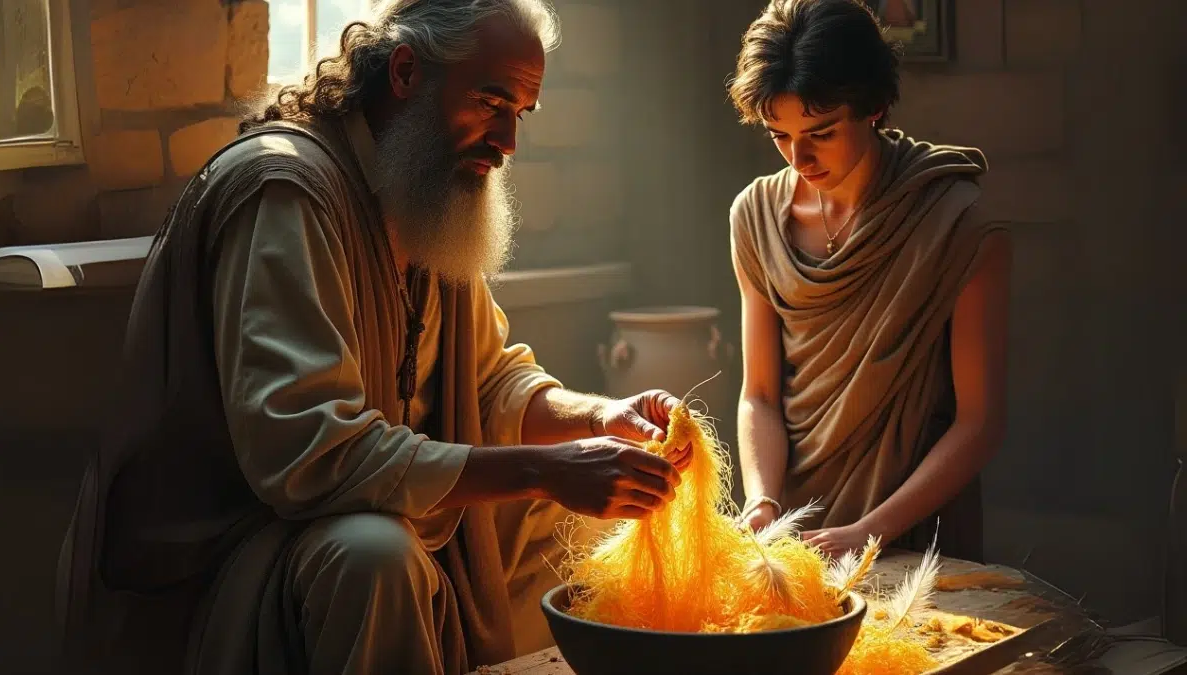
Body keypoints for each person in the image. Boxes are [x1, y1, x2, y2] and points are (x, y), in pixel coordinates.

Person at [55, 2, 692, 674]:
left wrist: (601, 418)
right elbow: (308, 454)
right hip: (237, 558)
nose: (506, 141)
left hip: (384, 515)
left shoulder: (426, 193)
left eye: (520, 113)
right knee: (374, 555)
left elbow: (488, 381)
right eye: (490, 100)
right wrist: (544, 469)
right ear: (407, 71)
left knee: (593, 521)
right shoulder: (286, 191)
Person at [726, 0, 1010, 562]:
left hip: (913, 530)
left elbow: (980, 424)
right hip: (799, 533)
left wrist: (868, 532)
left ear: (875, 107)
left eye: (821, 132)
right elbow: (759, 394)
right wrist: (760, 502)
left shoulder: (957, 222)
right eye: (778, 134)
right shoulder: (754, 216)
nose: (798, 156)